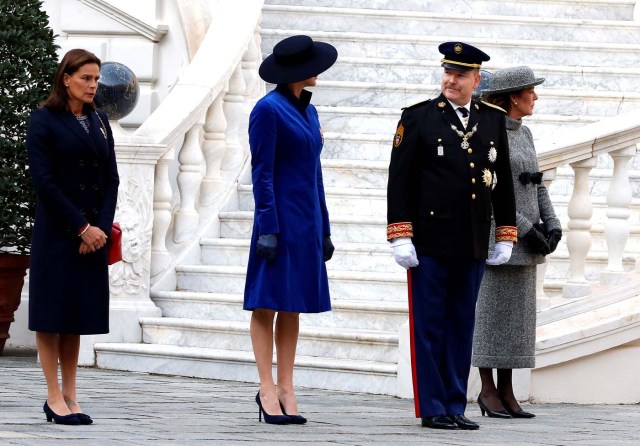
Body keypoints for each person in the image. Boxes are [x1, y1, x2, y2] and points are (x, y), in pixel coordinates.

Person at [387, 41, 517, 430]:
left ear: (477, 79)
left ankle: (454, 404)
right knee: (430, 325)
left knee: (462, 324)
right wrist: (400, 234)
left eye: (460, 75)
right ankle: (432, 406)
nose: (451, 80)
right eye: (448, 72)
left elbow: (503, 183)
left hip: (473, 240)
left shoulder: (492, 119)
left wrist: (505, 235)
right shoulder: (418, 118)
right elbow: (400, 183)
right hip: (428, 241)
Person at [243, 35, 337, 425]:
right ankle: (266, 388)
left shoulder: (309, 112)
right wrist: (267, 225)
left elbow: (315, 174)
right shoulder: (267, 110)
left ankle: (287, 387)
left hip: (307, 222)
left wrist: (325, 228)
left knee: (293, 304)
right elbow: (261, 173)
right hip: (277, 223)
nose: (318, 69)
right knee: (267, 303)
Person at [26, 48, 119, 425]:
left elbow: (110, 179)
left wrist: (98, 228)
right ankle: (52, 396)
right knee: (52, 317)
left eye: (96, 79)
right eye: (86, 78)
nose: (93, 85)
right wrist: (81, 226)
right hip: (58, 233)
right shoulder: (43, 120)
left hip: (92, 236)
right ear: (66, 78)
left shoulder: (100, 121)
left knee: (76, 317)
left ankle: (71, 394)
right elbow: (44, 182)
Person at [472, 66, 562, 419]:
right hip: (499, 239)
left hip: (526, 245)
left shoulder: (525, 134)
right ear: (513, 96)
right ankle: (487, 390)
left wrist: (552, 225)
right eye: (531, 91)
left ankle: (507, 390)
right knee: (490, 318)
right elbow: (488, 192)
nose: (535, 97)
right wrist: (525, 228)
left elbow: (536, 182)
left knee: (515, 320)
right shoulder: (486, 133)